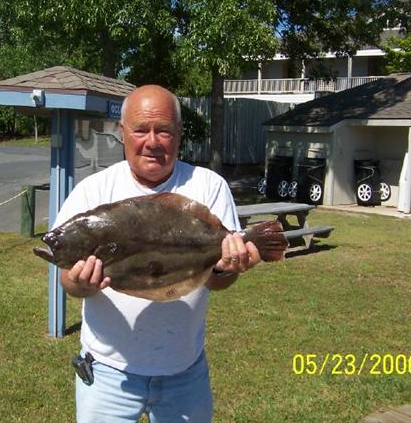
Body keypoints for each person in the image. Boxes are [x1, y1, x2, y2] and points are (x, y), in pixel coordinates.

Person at [52, 85, 261, 423]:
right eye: (141, 130)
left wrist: (226, 268)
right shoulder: (91, 191)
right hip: (107, 374)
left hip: (184, 372)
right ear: (122, 133)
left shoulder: (209, 186)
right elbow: (68, 282)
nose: (152, 141)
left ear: (178, 134)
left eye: (164, 130)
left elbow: (217, 282)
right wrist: (82, 284)